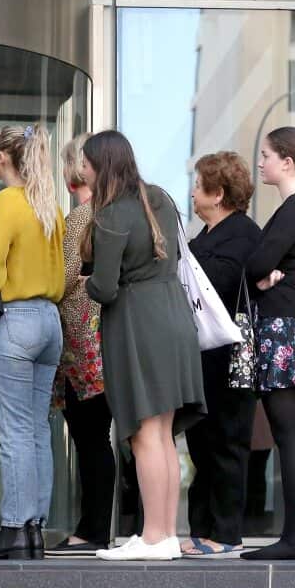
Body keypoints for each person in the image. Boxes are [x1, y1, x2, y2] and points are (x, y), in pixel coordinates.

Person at [83, 130, 206, 562]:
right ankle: (165, 533)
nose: (82, 170)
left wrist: (85, 281)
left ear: (100, 165)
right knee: (163, 435)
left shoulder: (112, 213)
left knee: (144, 434)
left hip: (138, 322)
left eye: (86, 162)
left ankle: (153, 537)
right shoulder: (160, 198)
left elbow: (105, 286)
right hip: (173, 315)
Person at [235, 128, 295, 561]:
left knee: (289, 434)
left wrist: (264, 274)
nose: (260, 163)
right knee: (287, 432)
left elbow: (256, 262)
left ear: (287, 161)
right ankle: (294, 536)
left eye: (266, 155)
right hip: (287, 324)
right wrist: (262, 275)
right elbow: (256, 268)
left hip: (287, 327)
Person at [0, 123, 65, 560]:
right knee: (35, 432)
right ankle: (34, 529)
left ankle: (13, 528)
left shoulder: (8, 200)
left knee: (11, 433)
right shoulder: (49, 202)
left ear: (4, 157)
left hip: (15, 318)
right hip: (50, 320)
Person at [178, 152, 261, 559]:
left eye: (198, 185)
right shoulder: (203, 235)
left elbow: (219, 282)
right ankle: (202, 530)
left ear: (218, 192)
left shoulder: (244, 234)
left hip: (231, 358)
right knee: (202, 445)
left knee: (228, 442)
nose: (193, 192)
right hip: (203, 357)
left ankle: (227, 533)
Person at [45, 135, 117, 558]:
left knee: (90, 438)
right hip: (108, 340)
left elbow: (65, 276)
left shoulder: (80, 218)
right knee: (101, 437)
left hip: (82, 342)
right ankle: (96, 528)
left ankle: (91, 530)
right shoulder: (115, 211)